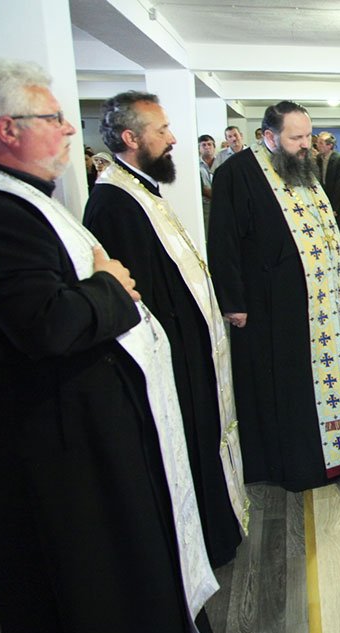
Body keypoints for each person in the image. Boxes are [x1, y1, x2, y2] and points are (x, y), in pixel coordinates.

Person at [0, 58, 216, 633]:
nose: (70, 128)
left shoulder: (30, 200)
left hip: (91, 426)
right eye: (54, 117)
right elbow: (48, 322)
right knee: (98, 579)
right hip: (66, 443)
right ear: (7, 129)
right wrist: (112, 286)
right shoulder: (4, 213)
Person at [85, 91, 247, 567]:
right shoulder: (113, 201)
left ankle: (220, 525)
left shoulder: (140, 189)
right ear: (131, 138)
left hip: (189, 345)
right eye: (162, 130)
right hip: (170, 353)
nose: (174, 138)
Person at [208, 100, 340, 491]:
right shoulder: (236, 173)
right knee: (284, 387)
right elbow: (223, 241)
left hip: (318, 305)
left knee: (317, 381)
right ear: (269, 137)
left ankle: (330, 459)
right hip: (270, 305)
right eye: (296, 137)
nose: (306, 144)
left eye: (308, 135)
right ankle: (293, 465)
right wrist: (233, 302)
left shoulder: (302, 169)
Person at [315, 131, 340, 225]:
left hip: (336, 203)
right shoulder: (318, 159)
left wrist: (334, 208)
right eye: (317, 143)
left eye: (321, 143)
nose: (317, 145)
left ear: (330, 145)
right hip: (321, 201)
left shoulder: (339, 159)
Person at [198, 133, 217, 231]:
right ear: (199, 148)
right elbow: (202, 188)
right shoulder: (196, 165)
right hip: (205, 206)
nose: (207, 147)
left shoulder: (222, 162)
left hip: (223, 205)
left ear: (214, 147)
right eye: (203, 145)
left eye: (209, 144)